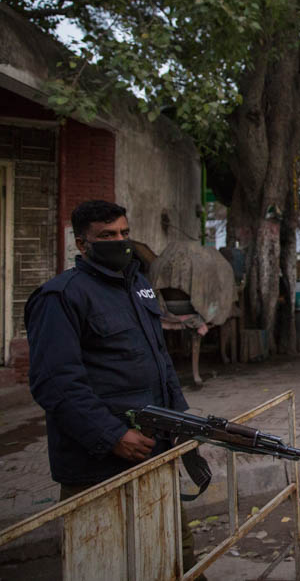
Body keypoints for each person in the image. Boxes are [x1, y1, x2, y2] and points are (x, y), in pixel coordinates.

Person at [25, 200, 202, 575]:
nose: (120, 241)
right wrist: (112, 436)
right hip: (98, 465)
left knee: (175, 557)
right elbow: (55, 384)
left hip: (155, 451)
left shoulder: (138, 285)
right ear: (81, 244)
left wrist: (182, 419)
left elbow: (161, 360)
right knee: (105, 564)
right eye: (107, 236)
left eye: (124, 233)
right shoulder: (60, 296)